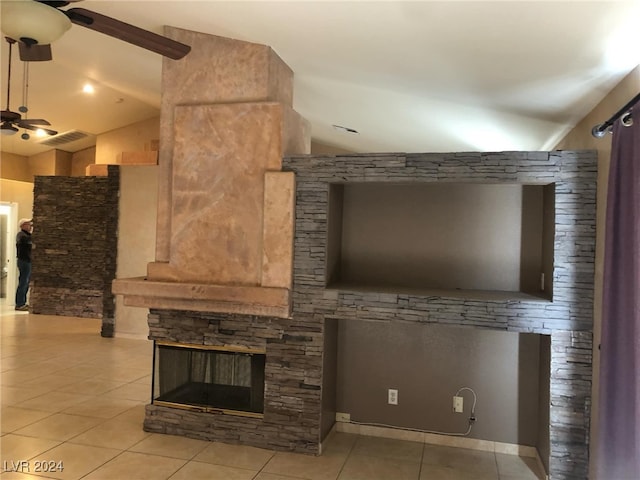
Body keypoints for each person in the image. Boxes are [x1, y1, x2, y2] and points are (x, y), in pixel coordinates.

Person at [15, 218, 33, 311]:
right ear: (23, 226)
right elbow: (27, 241)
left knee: (26, 282)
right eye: (28, 224)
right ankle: (19, 303)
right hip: (24, 261)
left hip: (27, 261)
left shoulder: (27, 235)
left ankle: (23, 302)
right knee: (23, 282)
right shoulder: (21, 235)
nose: (30, 226)